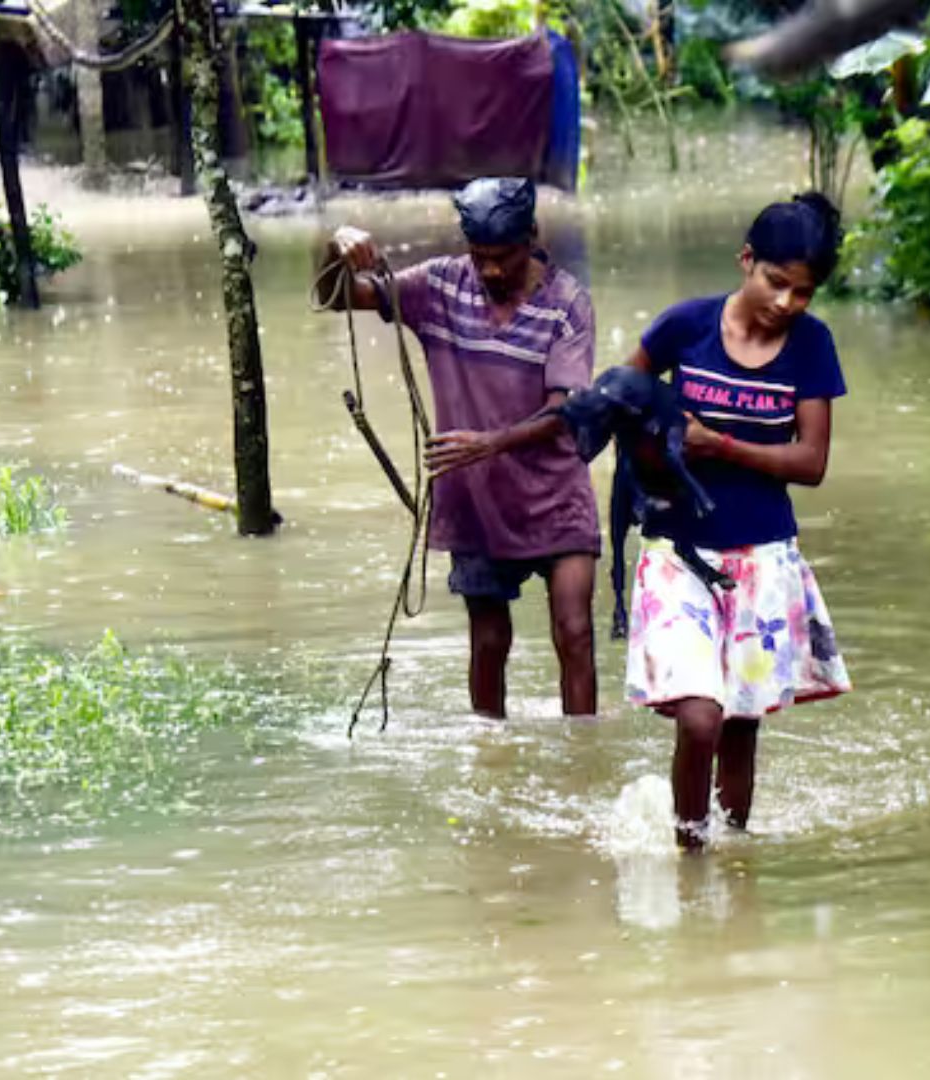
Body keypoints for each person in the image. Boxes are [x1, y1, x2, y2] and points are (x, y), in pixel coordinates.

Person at [622, 192, 854, 850]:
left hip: (761, 558)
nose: (785, 303)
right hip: (678, 551)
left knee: (740, 729)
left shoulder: (811, 347)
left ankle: (730, 867)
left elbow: (811, 462)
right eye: (775, 282)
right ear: (746, 261)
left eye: (801, 293)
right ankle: (690, 856)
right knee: (700, 719)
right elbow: (621, 398)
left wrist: (719, 445)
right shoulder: (684, 328)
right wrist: (651, 450)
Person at [321, 177, 599, 720]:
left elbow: (567, 407)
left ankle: (580, 763)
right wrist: (336, 250)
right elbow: (336, 296)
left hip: (556, 498)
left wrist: (491, 443)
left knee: (576, 634)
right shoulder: (441, 285)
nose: (491, 270)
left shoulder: (567, 304)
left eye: (504, 257)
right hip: (476, 501)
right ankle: (489, 761)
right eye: (480, 257)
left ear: (532, 238)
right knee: (489, 641)